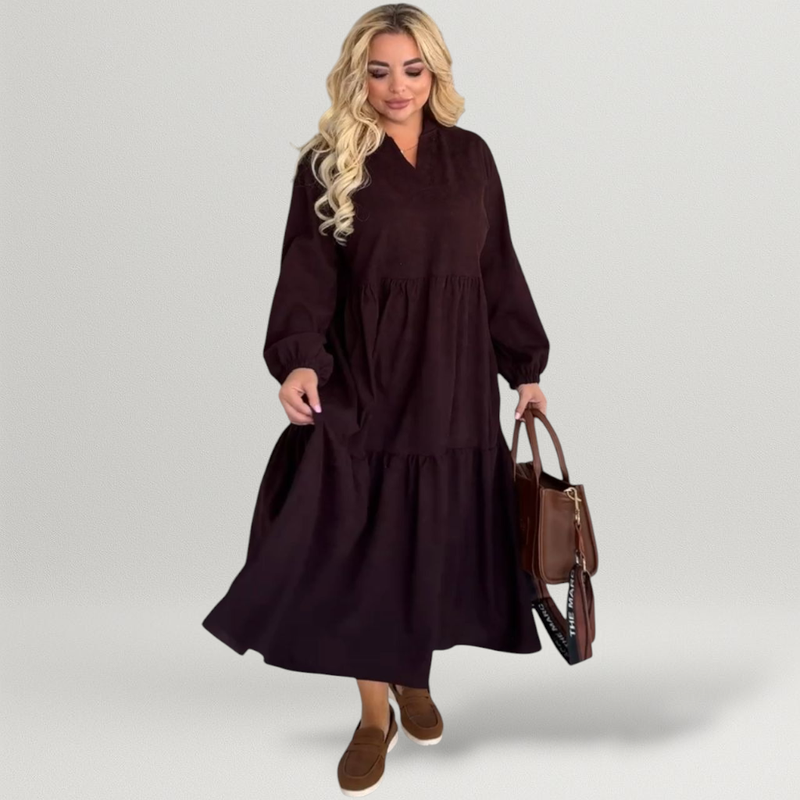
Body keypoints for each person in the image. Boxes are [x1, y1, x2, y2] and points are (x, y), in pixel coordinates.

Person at [201, 4, 550, 795]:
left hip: (452, 382)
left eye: (413, 69)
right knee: (365, 544)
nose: (398, 86)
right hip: (367, 379)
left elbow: (497, 268)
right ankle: (372, 714)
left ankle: (411, 673)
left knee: (435, 537)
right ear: (357, 76)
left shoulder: (471, 157)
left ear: (435, 73)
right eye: (380, 70)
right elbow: (306, 271)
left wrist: (524, 368)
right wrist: (298, 362)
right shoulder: (330, 162)